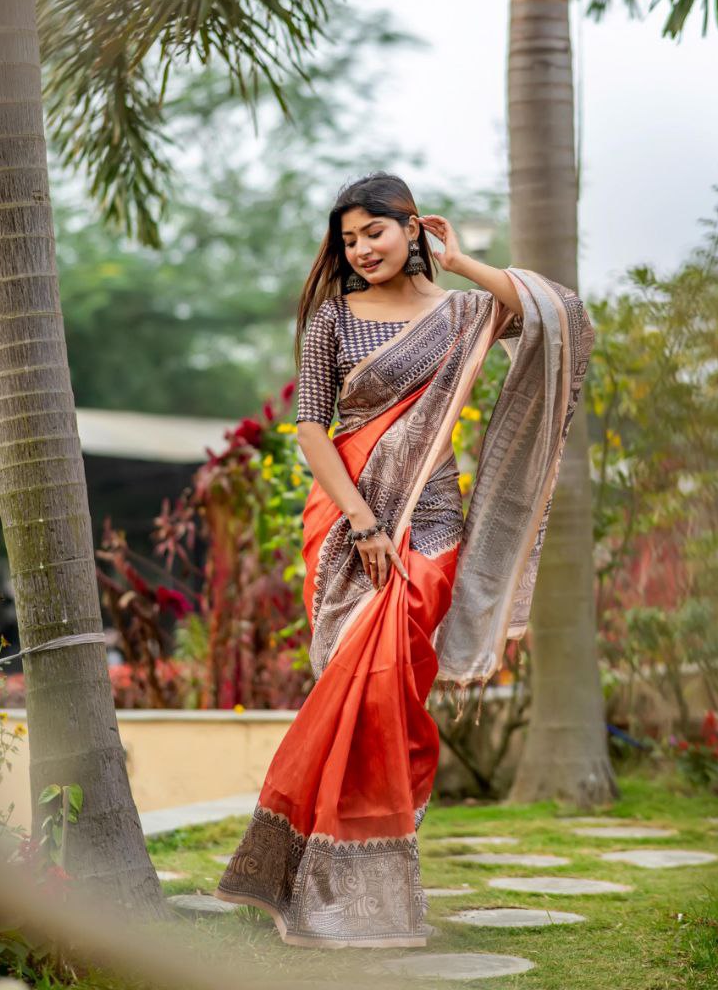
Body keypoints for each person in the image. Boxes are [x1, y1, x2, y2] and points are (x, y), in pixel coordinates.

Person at [214, 172, 594, 947]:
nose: (361, 250)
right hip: (348, 524)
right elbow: (312, 429)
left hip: (431, 521)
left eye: (375, 233)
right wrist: (361, 523)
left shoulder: (462, 312)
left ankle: (362, 888)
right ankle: (314, 876)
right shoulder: (332, 318)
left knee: (390, 696)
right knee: (351, 686)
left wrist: (462, 265)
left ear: (413, 226)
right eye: (348, 240)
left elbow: (559, 319)